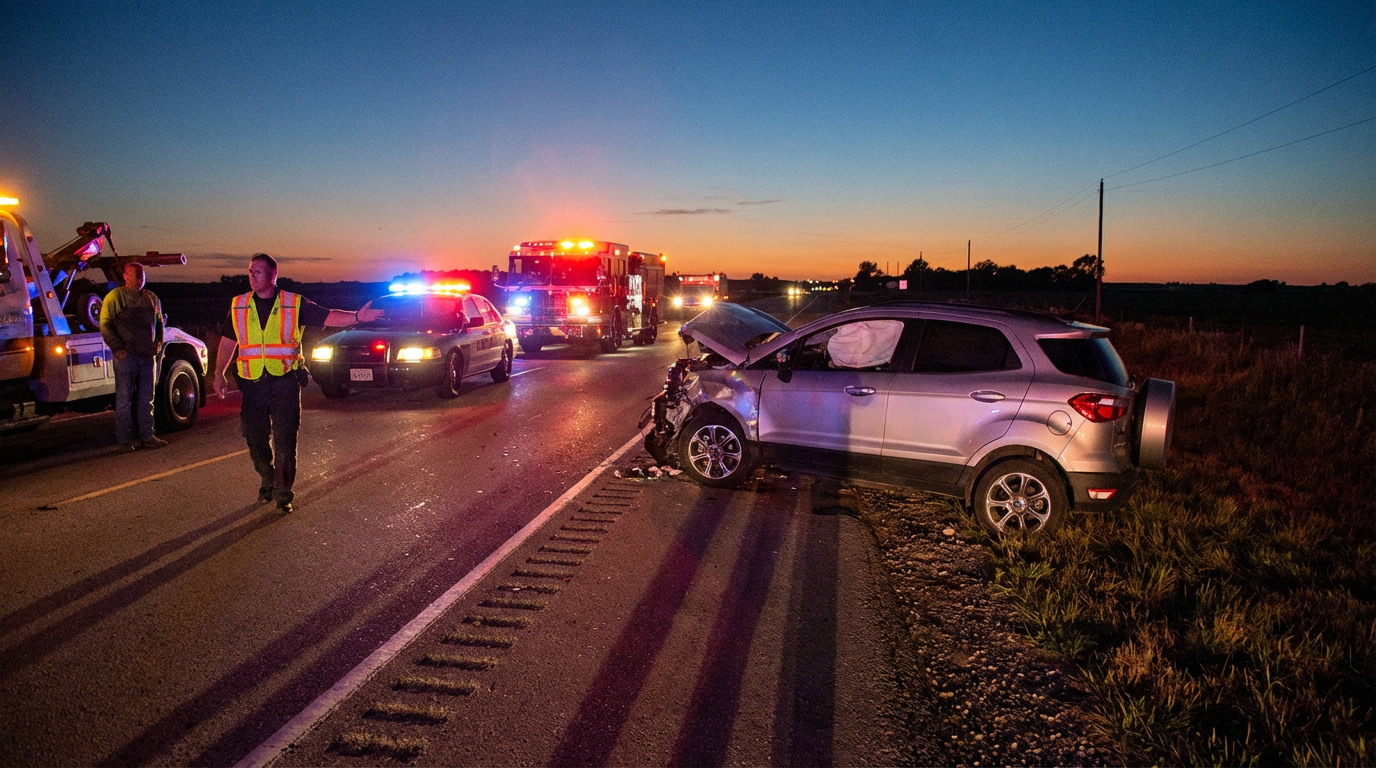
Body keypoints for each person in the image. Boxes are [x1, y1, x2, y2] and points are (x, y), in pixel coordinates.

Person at [213, 253, 381, 513]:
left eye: (257, 271)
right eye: (250, 271)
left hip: (285, 383)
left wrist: (357, 316)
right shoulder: (239, 305)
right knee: (254, 438)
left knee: (285, 440)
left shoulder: (293, 304)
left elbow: (327, 316)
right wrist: (219, 373)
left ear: (273, 275)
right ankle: (267, 477)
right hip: (253, 384)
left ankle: (282, 493)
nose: (252, 275)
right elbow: (227, 341)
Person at [100, 262, 167, 450]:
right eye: (133, 274)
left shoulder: (151, 298)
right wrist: (117, 348)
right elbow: (105, 324)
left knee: (147, 398)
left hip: (147, 356)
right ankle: (124, 440)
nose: (138, 278)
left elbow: (160, 324)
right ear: (125, 276)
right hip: (127, 357)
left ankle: (147, 436)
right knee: (124, 400)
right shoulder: (115, 297)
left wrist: (158, 344)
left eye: (141, 274)